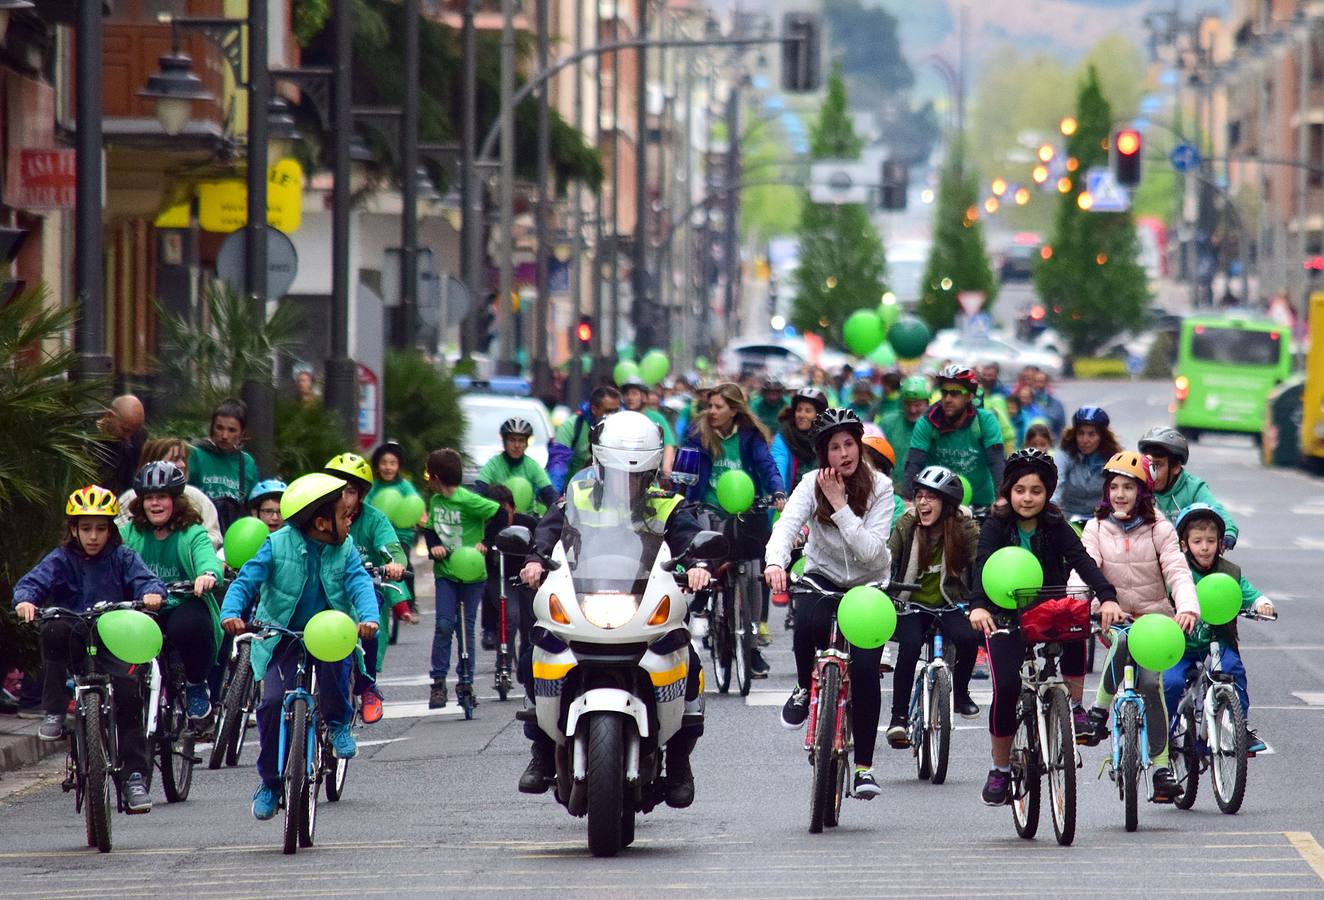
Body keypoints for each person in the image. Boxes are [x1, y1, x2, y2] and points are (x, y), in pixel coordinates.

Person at [517, 411, 712, 806]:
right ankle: (540, 752)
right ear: (601, 467)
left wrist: (697, 567)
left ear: (653, 470)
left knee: (688, 664)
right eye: (622, 474)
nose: (631, 483)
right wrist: (535, 559)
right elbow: (549, 529)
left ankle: (678, 764)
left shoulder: (667, 505)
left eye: (639, 476)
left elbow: (689, 536)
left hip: (644, 605)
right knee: (533, 654)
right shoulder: (577, 497)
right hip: (584, 598)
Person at [219, 473, 380, 821]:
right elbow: (247, 580)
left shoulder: (346, 547)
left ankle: (337, 724)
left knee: (336, 672)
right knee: (273, 701)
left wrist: (368, 617)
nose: (349, 519)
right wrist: (231, 612)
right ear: (321, 523)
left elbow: (359, 583)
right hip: (283, 635)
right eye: (343, 515)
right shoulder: (277, 545)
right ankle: (271, 782)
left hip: (330, 632)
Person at [967, 449, 1117, 806]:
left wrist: (1107, 596)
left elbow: (1082, 559)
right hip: (1003, 614)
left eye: (1036, 490)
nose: (1028, 498)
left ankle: (1074, 706)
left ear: (1047, 493)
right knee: (1005, 688)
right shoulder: (995, 524)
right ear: (1008, 491)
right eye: (1020, 490)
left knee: (1077, 626)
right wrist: (976, 606)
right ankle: (1000, 770)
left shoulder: (1056, 526)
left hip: (1047, 609)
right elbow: (981, 566)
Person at [12, 486, 166, 814]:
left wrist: (152, 593)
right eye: (85, 528)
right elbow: (31, 584)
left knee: (127, 692)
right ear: (73, 530)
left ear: (111, 530)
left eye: (100, 528)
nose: (93, 536)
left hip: (114, 640)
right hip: (75, 640)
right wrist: (26, 600)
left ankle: (134, 777)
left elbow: (148, 581)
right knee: (53, 627)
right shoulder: (61, 559)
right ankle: (54, 710)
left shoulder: (122, 557)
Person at [765, 408, 894, 798]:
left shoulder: (881, 488)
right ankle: (806, 688)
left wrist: (839, 506)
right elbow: (786, 527)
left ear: (859, 446)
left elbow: (872, 552)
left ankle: (864, 768)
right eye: (834, 447)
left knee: (868, 671)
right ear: (824, 455)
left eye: (849, 444)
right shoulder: (809, 483)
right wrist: (775, 562)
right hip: (823, 576)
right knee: (806, 624)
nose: (844, 453)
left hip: (869, 584)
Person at [1074, 451, 1199, 804]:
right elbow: (1086, 569)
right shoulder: (1096, 527)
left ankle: (1160, 769)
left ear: (1142, 491)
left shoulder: (1160, 528)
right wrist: (1080, 604)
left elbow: (1177, 570)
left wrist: (1187, 607)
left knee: (1149, 684)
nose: (1119, 494)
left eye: (1128, 487)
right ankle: (1099, 713)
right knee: (1123, 640)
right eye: (1113, 487)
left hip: (1154, 620)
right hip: (1112, 617)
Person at [680, 382, 786, 677]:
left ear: (734, 410)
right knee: (705, 547)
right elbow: (684, 468)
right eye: (709, 406)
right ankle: (702, 598)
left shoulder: (750, 435)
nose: (711, 411)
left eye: (718, 407)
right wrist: (680, 496)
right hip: (707, 508)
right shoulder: (697, 433)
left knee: (753, 573)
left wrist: (777, 492)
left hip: (745, 510)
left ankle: (750, 649)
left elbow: (767, 467)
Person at [119, 462, 224, 728]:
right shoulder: (128, 533)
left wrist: (207, 575)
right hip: (142, 607)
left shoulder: (192, 532)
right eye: (149, 498)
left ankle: (196, 685)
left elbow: (207, 558)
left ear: (176, 501)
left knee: (190, 626)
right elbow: (110, 558)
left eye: (162, 497)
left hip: (182, 602)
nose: (155, 504)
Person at [885, 465, 983, 745]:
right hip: (913, 604)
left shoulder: (965, 529)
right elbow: (888, 558)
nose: (922, 503)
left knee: (967, 639)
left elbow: (980, 566)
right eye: (919, 495)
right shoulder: (906, 524)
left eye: (931, 497)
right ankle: (898, 717)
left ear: (948, 504)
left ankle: (961, 694)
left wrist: (979, 602)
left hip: (950, 603)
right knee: (910, 646)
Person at [1165, 503, 1273, 754]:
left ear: (1220, 543)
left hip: (1216, 643)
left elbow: (1248, 592)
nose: (1204, 547)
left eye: (1211, 541)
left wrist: (1262, 603)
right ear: (1184, 544)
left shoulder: (1229, 572)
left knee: (1234, 670)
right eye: (1197, 541)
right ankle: (1165, 731)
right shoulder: (1176, 570)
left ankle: (1239, 728)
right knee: (1170, 682)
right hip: (1179, 646)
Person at [325, 453, 410, 724]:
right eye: (338, 491)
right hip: (326, 586)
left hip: (364, 584)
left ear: (361, 495)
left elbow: (392, 549)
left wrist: (395, 564)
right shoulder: (319, 517)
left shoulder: (375, 519)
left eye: (350, 492)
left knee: (369, 617)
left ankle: (368, 685)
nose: (344, 498)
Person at [423, 448, 500, 709]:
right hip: (446, 572)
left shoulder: (468, 500)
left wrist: (486, 543)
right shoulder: (435, 503)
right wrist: (434, 547)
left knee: (465, 627)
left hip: (472, 573)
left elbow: (499, 512)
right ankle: (438, 682)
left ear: (436, 477)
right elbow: (430, 529)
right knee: (444, 624)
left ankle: (465, 680)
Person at [901, 365, 1006, 508]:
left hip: (980, 500)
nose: (947, 399)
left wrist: (1002, 498)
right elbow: (914, 462)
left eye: (955, 393)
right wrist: (907, 498)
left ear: (969, 396)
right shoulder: (927, 421)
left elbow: (997, 462)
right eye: (944, 393)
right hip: (940, 501)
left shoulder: (985, 420)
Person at [1138, 425, 1239, 550]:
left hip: (1182, 558)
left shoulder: (1193, 488)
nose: (1151, 471)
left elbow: (1216, 510)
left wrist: (1228, 533)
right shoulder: (1137, 485)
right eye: (1148, 464)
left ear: (1175, 467)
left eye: (1158, 465)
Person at [117, 437, 222, 550]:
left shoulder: (197, 497)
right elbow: (118, 538)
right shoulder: (130, 498)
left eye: (183, 459)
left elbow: (214, 536)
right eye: (175, 459)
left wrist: (191, 548)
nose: (182, 465)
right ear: (154, 461)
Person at [188, 398, 259, 532]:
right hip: (199, 530)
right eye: (219, 428)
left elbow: (253, 507)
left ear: (242, 432)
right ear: (212, 428)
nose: (224, 435)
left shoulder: (247, 463)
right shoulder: (195, 453)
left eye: (232, 430)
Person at [546, 386, 622, 493]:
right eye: (608, 411)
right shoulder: (571, 427)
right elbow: (558, 465)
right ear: (594, 409)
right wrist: (555, 497)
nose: (613, 416)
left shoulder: (623, 429)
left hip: (612, 494)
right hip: (574, 494)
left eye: (616, 411)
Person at [475, 419, 559, 515]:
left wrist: (558, 508)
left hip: (527, 520)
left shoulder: (532, 466)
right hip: (498, 517)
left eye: (521, 440)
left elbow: (549, 493)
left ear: (526, 443)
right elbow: (479, 491)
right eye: (512, 440)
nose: (517, 445)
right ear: (504, 442)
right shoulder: (493, 464)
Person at [1053, 406, 1121, 521]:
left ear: (1102, 437)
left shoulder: (1114, 459)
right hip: (1067, 518)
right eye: (1081, 433)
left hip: (1101, 518)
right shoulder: (1064, 455)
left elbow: (1120, 490)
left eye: (1091, 434)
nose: (1085, 440)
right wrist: (1051, 506)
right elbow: (1056, 482)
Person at [771, 387, 829, 491]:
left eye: (808, 411)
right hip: (791, 500)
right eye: (799, 410)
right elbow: (778, 465)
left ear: (819, 416)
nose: (801, 415)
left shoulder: (828, 438)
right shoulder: (784, 435)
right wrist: (779, 490)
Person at [620, 378, 680, 478]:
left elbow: (668, 444)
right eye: (626, 394)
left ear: (644, 397)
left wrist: (666, 467)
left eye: (634, 394)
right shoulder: (619, 418)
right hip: (622, 472)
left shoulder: (656, 418)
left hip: (649, 473)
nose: (630, 398)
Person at [880, 375, 930, 491]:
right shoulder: (887, 423)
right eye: (908, 404)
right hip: (890, 490)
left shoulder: (936, 426)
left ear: (927, 404)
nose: (912, 410)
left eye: (917, 405)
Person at [94, 394, 148, 495]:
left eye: (133, 432)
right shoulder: (85, 436)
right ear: (109, 416)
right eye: (125, 430)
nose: (128, 437)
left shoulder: (138, 436)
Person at [1030, 370, 1067, 437]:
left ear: (1047, 383)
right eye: (1036, 381)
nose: (1038, 384)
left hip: (1051, 442)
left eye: (1041, 382)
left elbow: (1062, 426)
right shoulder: (1027, 402)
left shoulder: (1056, 404)